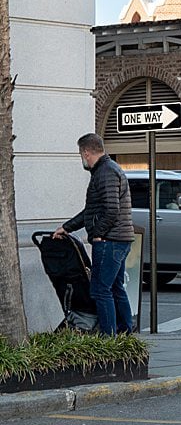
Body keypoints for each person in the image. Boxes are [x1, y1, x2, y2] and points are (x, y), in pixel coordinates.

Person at [52, 133, 135, 336]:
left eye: (81, 153)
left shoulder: (105, 172)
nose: (82, 158)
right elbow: (91, 211)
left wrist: (98, 234)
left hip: (109, 241)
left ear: (86, 152)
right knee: (115, 288)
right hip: (118, 240)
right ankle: (125, 333)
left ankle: (109, 339)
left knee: (100, 290)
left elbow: (111, 209)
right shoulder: (106, 170)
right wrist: (67, 227)